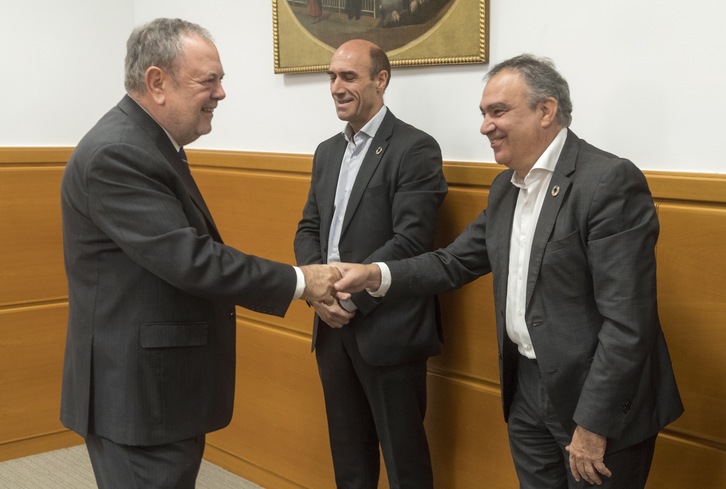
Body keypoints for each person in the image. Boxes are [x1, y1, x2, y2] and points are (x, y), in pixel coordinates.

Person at [334, 54, 684, 488]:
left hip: (596, 399)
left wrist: (594, 425)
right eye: (484, 113)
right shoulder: (506, 188)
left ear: (546, 111)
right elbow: (453, 262)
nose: (485, 126)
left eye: (498, 111)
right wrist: (375, 276)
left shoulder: (608, 182)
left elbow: (629, 323)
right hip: (526, 390)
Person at [60, 18, 339, 489]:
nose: (222, 93)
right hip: (139, 397)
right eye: (209, 81)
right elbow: (192, 261)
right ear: (157, 82)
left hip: (155, 391)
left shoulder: (144, 141)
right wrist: (303, 281)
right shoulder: (119, 153)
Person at [294, 39, 447, 489]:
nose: (336, 87)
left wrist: (350, 296)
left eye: (348, 77)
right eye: (332, 77)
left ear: (381, 81)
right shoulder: (326, 152)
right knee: (349, 458)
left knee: (405, 462)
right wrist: (315, 289)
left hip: (389, 328)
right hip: (330, 327)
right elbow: (308, 228)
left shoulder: (414, 148)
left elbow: (412, 240)